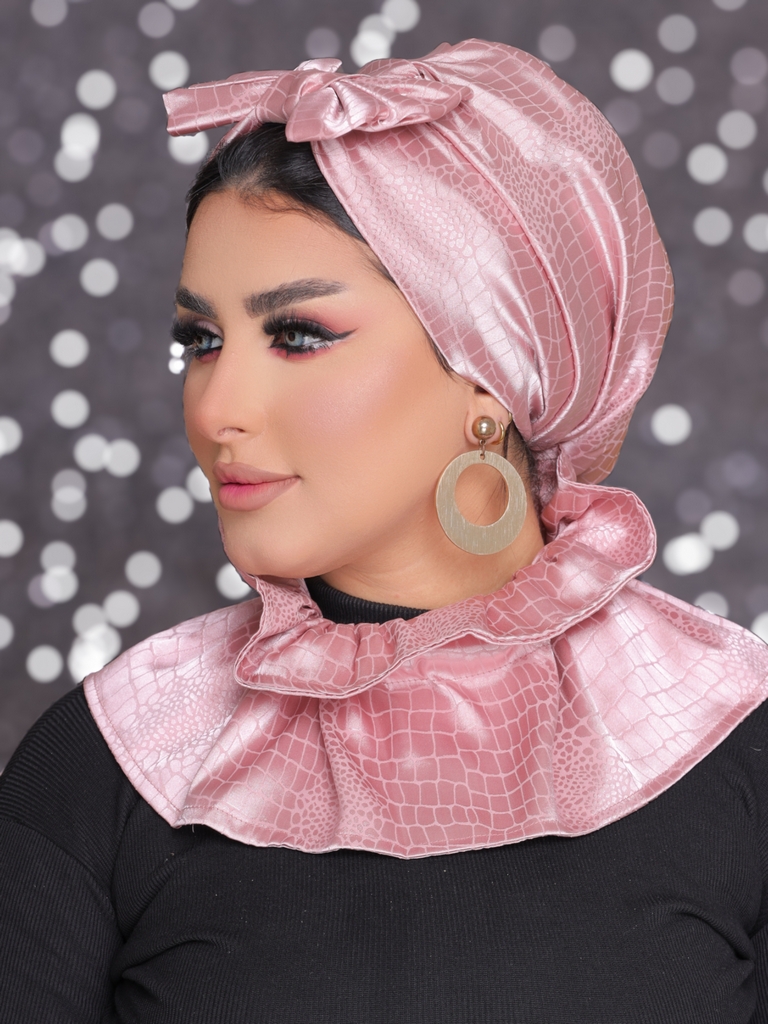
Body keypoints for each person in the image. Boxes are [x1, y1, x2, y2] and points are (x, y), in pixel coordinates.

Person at [2, 37, 768, 1023]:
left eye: (298, 335)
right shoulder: (111, 760)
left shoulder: (736, 742)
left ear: (493, 373)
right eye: (202, 340)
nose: (217, 407)